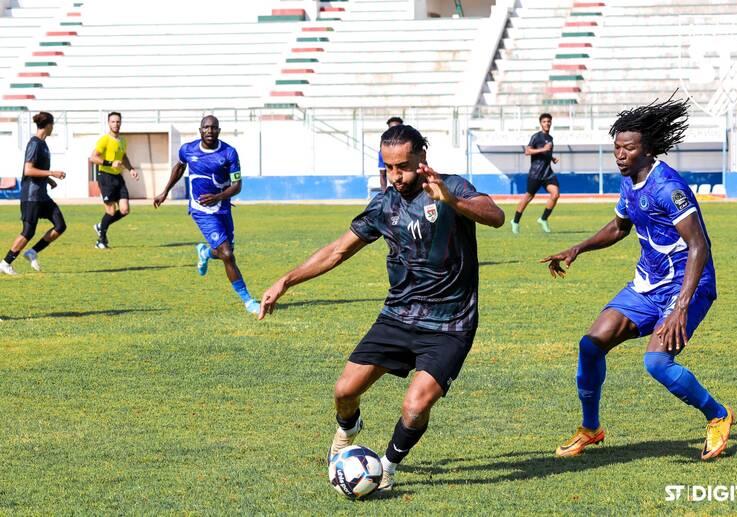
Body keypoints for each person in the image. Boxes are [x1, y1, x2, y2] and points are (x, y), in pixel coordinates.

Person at [258, 125, 504, 490]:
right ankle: (348, 428)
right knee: (344, 391)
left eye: (403, 166)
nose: (396, 176)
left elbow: (495, 215)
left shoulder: (451, 186)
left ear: (422, 156)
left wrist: (452, 200)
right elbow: (337, 251)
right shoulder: (384, 205)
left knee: (416, 406)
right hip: (399, 315)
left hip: (451, 322)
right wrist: (286, 280)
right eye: (389, 167)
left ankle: (386, 466)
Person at [541, 97, 733, 461]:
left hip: (686, 287)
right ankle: (591, 428)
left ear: (648, 151)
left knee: (657, 363)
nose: (620, 155)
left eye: (628, 148)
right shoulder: (629, 181)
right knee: (591, 344)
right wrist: (577, 248)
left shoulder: (668, 187)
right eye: (617, 147)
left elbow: (699, 246)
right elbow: (619, 226)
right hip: (646, 286)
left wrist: (680, 307)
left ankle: (718, 415)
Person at [153, 115, 260, 316]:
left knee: (224, 252)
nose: (209, 131)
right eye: (206, 127)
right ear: (200, 130)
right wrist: (165, 191)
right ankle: (248, 300)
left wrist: (218, 197)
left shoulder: (229, 153)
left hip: (223, 208)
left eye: (214, 128)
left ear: (219, 130)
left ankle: (204, 252)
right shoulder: (188, 149)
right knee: (228, 254)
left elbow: (237, 185)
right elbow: (179, 166)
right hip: (202, 211)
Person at [0, 112, 67, 275]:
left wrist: (48, 180)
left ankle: (32, 252)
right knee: (28, 232)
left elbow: (37, 169)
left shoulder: (43, 144)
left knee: (60, 225)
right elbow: (28, 170)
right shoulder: (35, 143)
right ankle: (5, 262)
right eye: (53, 126)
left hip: (42, 195)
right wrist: (51, 173)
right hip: (31, 196)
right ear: (49, 125)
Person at [89, 111, 139, 249]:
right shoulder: (104, 140)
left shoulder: (122, 140)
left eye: (118, 121)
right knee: (111, 211)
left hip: (118, 177)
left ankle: (101, 225)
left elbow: (123, 157)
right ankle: (101, 240)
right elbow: (93, 157)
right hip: (105, 177)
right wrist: (110, 163)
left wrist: (131, 169)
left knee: (124, 210)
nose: (116, 124)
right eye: (113, 122)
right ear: (108, 123)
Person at [511, 113, 560, 235]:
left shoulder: (550, 138)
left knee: (555, 194)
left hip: (547, 173)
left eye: (549, 121)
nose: (547, 123)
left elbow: (545, 154)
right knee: (528, 197)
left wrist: (552, 158)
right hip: (535, 173)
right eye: (544, 121)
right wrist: (543, 149)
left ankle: (543, 219)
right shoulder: (536, 137)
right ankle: (515, 221)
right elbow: (527, 151)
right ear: (541, 123)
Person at [377, 116, 404, 191]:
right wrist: (383, 193)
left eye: (398, 128)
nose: (395, 131)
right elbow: (382, 175)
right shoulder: (383, 150)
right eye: (392, 129)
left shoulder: (410, 144)